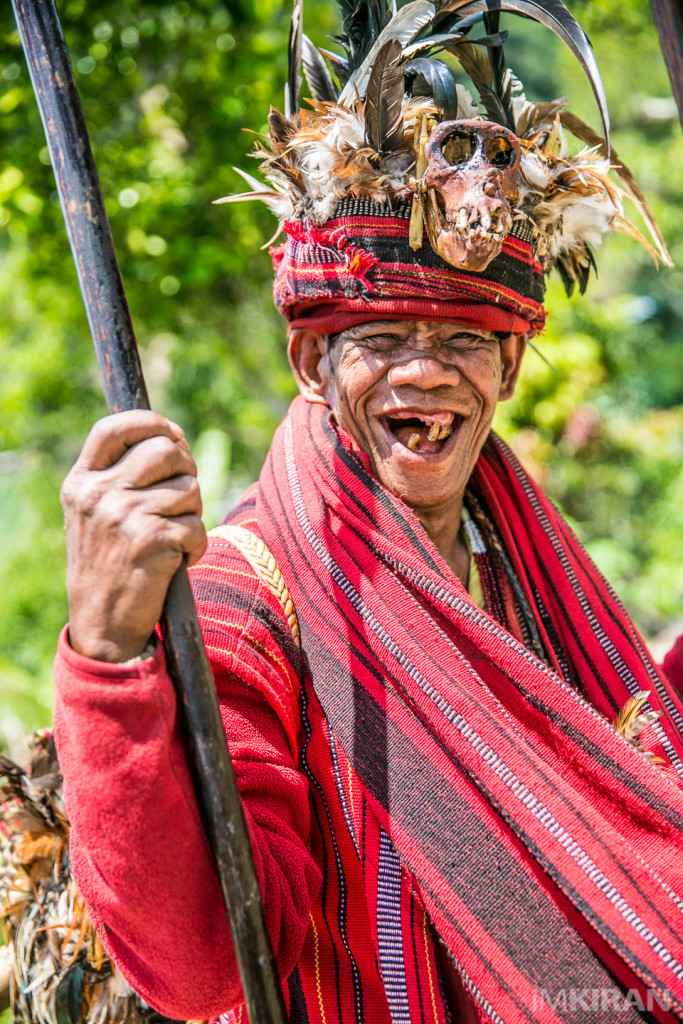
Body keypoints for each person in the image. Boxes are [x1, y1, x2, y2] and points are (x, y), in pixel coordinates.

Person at [51, 2, 683, 1022]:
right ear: (311, 359)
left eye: (465, 338)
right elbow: (206, 961)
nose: (425, 370)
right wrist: (111, 657)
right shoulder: (242, 602)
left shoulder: (513, 552)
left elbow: (602, 767)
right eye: (381, 332)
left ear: (511, 362)